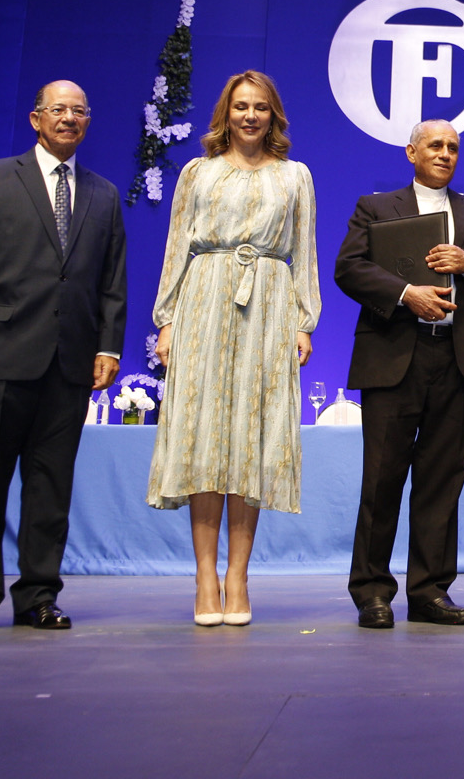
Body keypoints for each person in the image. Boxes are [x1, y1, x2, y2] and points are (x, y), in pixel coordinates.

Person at [0, 80, 127, 635]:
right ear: (36, 118)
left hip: (69, 363)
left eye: (79, 111)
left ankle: (38, 596)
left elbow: (112, 280)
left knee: (51, 488)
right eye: (58, 110)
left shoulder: (103, 194)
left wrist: (108, 345)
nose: (69, 118)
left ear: (88, 122)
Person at [147, 71, 319, 626]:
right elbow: (177, 247)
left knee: (251, 441)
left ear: (274, 116)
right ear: (226, 113)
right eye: (241, 106)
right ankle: (205, 577)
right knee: (203, 439)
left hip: (268, 305)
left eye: (260, 107)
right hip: (204, 301)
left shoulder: (295, 176)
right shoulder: (198, 172)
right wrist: (167, 320)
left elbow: (304, 254)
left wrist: (303, 322)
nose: (250, 115)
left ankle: (238, 577)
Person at [334, 119, 464, 629]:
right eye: (435, 145)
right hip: (393, 357)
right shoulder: (375, 207)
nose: (445, 153)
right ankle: (372, 592)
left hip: (454, 360)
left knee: (441, 482)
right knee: (382, 479)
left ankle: (430, 591)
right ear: (411, 152)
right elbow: (349, 268)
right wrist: (405, 294)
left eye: (453, 147)